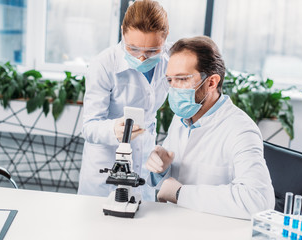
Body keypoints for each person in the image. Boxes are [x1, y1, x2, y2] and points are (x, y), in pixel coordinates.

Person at [146, 36, 275, 219]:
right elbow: (169, 182)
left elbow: (258, 200)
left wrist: (180, 193)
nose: (174, 89)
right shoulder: (182, 118)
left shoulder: (241, 129)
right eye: (170, 80)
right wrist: (162, 168)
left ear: (212, 83)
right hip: (177, 224)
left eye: (182, 79)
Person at [78, 0, 170, 201]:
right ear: (122, 32)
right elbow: (89, 126)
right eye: (134, 49)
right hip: (104, 169)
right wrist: (113, 130)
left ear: (165, 39)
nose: (142, 58)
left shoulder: (170, 62)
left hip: (143, 161)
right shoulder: (103, 65)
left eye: (152, 51)